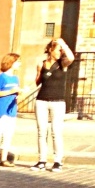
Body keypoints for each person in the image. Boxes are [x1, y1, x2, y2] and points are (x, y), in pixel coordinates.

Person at [33, 36, 74, 172]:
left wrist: (63, 44)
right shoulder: (42, 64)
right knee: (41, 131)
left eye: (61, 50)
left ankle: (57, 161)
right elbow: (37, 82)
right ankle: (41, 160)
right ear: (50, 49)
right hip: (42, 100)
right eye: (58, 49)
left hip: (57, 102)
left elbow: (71, 58)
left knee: (56, 131)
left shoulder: (63, 64)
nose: (60, 52)